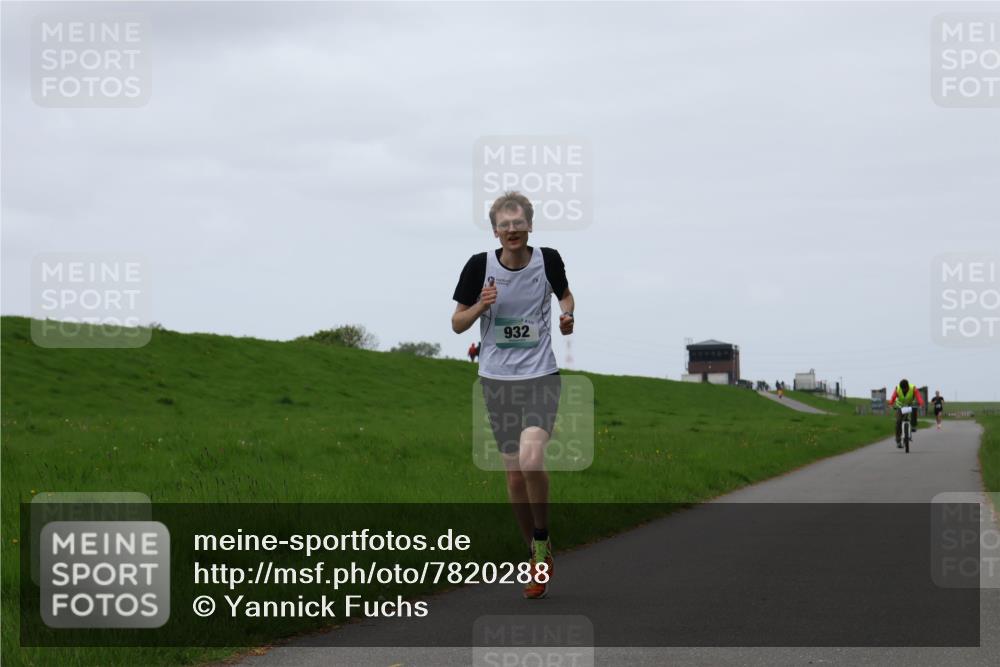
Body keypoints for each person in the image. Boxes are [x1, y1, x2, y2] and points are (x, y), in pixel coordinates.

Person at [451, 191, 574, 600]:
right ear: (495, 231)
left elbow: (565, 295)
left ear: (530, 226)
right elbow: (456, 323)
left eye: (518, 223)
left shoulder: (548, 259)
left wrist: (568, 314)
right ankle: (535, 552)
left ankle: (541, 540)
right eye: (504, 225)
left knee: (532, 457)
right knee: (514, 476)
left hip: (540, 375)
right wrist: (481, 307)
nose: (512, 230)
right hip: (496, 381)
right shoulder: (478, 267)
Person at [889, 378, 925, 447]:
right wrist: (891, 404)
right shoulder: (898, 388)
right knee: (898, 421)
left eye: (905, 389)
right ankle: (898, 440)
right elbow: (893, 397)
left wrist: (921, 404)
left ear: (908, 386)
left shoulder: (913, 388)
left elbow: (919, 397)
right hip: (900, 406)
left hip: (910, 405)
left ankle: (913, 425)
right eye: (903, 389)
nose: (904, 390)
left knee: (914, 409)